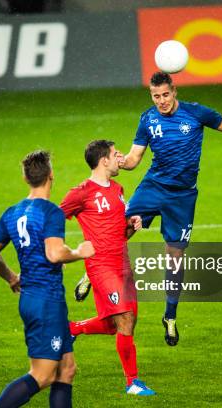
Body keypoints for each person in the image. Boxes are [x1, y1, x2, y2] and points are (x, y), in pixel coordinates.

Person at [74, 71, 222, 346]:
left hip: (183, 197)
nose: (161, 101)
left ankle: (170, 316)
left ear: (174, 91)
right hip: (153, 187)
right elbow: (136, 158)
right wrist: (117, 161)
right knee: (121, 227)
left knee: (175, 256)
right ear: (151, 95)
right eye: (155, 96)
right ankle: (90, 273)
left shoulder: (196, 113)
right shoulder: (148, 119)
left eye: (165, 95)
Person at [0, 150, 95, 407]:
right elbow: (55, 253)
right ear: (51, 175)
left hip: (36, 299)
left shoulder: (11, 213)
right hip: (47, 303)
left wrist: (12, 278)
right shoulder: (51, 212)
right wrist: (79, 252)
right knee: (43, 375)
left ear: (26, 178)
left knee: (67, 370)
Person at [61, 140, 156, 396]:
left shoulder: (118, 188)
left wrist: (132, 223)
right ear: (104, 160)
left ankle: (72, 328)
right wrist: (58, 251)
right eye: (116, 154)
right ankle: (133, 382)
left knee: (118, 324)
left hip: (122, 263)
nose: (120, 157)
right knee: (124, 318)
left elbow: (120, 230)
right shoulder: (81, 192)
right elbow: (56, 217)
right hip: (101, 266)